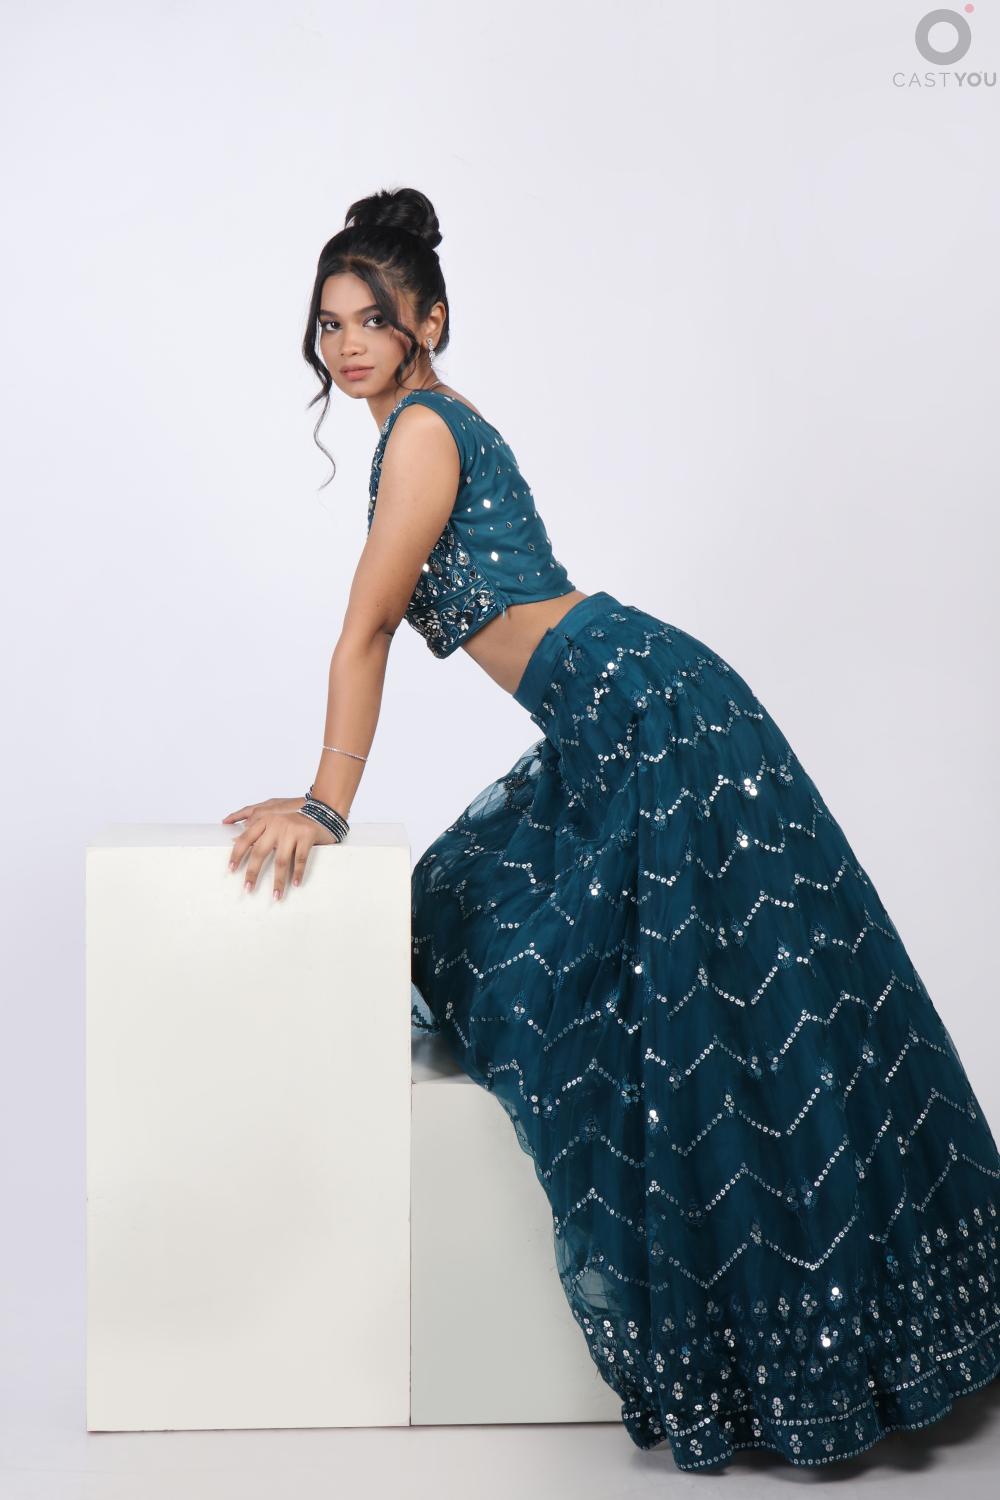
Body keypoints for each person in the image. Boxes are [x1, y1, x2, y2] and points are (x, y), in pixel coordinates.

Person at [224, 187, 1000, 1471]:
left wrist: (323, 802)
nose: (346, 345)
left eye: (371, 319)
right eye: (327, 324)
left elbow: (368, 627)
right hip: (617, 719)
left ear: (429, 322)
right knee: (473, 911)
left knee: (741, 1018)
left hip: (651, 716)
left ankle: (824, 1350)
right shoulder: (419, 426)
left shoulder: (422, 430)